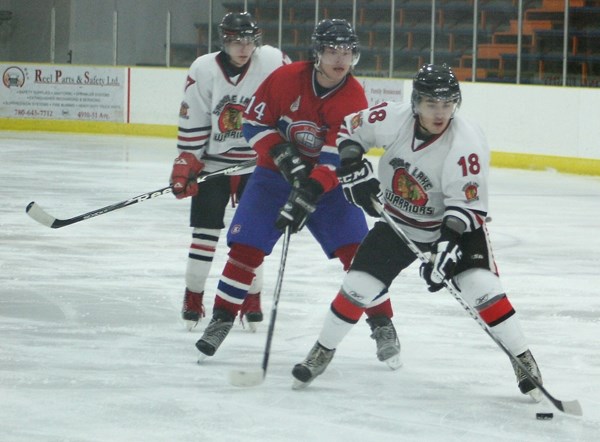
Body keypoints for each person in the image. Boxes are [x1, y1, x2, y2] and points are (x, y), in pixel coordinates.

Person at [291, 63, 543, 401]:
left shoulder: (466, 142)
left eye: (447, 104)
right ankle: (322, 350)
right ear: (415, 103)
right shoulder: (393, 118)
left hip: (454, 226)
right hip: (398, 223)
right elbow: (351, 131)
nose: (440, 113)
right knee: (357, 287)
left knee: (481, 288)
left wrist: (447, 245)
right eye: (431, 104)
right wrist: (352, 165)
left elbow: (466, 207)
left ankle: (523, 358)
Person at [194, 18, 400, 368]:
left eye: (347, 52)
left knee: (359, 254)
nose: (340, 59)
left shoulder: (354, 97)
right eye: (332, 51)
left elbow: (337, 155)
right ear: (318, 52)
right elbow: (253, 122)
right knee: (246, 249)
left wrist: (309, 189)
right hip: (273, 179)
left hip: (329, 189)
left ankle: (383, 324)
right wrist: (282, 155)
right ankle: (222, 319)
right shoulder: (286, 78)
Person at [169, 12, 291, 331]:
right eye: (236, 41)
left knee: (250, 239)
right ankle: (193, 297)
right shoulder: (204, 69)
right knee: (205, 235)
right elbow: (194, 118)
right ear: (224, 40)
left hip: (258, 164)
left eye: (249, 40)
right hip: (213, 164)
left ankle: (251, 298)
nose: (243, 47)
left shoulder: (274, 62)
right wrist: (187, 161)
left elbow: (291, 103)